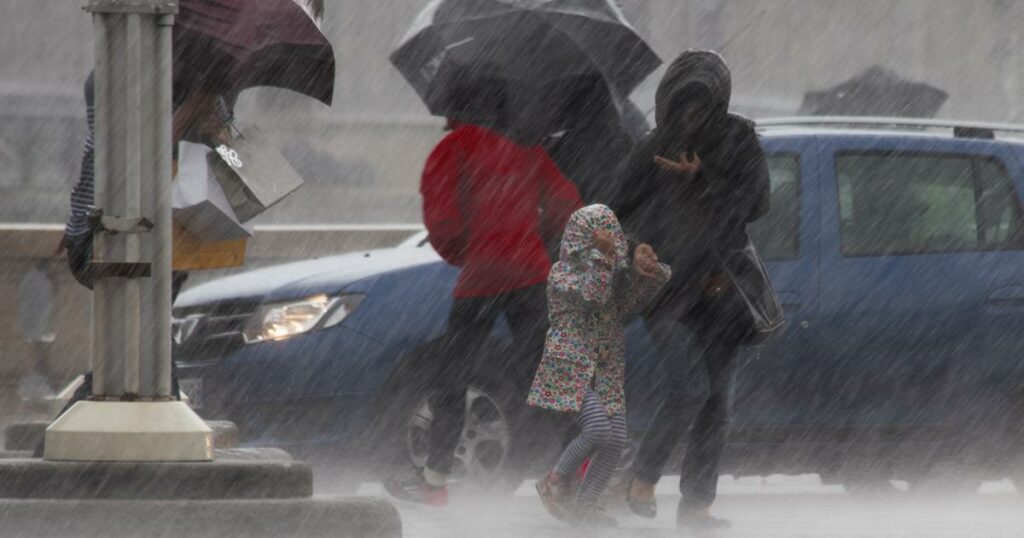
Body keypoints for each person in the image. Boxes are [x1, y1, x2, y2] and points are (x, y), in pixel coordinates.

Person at [384, 92, 583, 507]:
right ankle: (581, 465)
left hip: (481, 279)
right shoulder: (529, 149)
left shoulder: (452, 149)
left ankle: (435, 481)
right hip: (530, 274)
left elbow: (442, 224)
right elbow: (568, 207)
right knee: (546, 370)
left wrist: (472, 253)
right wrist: (534, 240)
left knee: (452, 378)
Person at [611, 50, 771, 531]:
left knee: (718, 402)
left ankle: (697, 505)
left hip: (721, 290)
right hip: (665, 292)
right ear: (669, 104)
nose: (692, 118)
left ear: (719, 104)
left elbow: (758, 202)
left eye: (702, 108)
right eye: (684, 107)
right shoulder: (651, 148)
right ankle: (641, 477)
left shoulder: (739, 139)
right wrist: (636, 247)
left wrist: (703, 179)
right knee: (688, 389)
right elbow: (616, 213)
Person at [528, 204, 669, 527]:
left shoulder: (610, 273)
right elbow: (591, 295)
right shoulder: (562, 274)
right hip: (569, 365)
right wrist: (603, 259)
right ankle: (553, 480)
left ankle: (586, 503)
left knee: (616, 439)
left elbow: (629, 302)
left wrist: (647, 272)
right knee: (596, 428)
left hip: (604, 367)